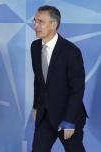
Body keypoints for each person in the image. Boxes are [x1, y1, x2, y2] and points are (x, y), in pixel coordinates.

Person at [30, 5, 88, 152]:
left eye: (41, 22)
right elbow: (39, 81)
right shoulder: (35, 47)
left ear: (54, 24)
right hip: (45, 116)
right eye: (35, 21)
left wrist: (69, 120)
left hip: (68, 116)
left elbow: (77, 88)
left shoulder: (71, 51)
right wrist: (36, 106)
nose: (36, 26)